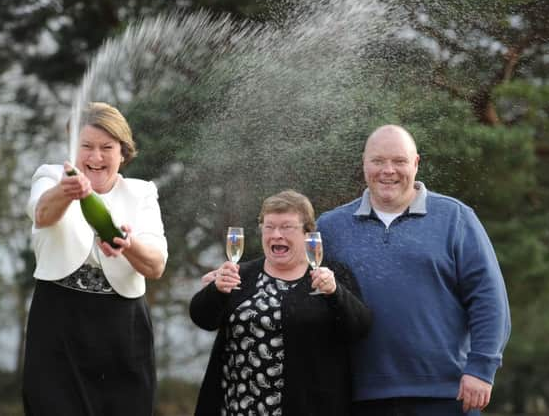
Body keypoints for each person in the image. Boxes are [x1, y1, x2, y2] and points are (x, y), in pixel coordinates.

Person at [317, 124, 511, 416]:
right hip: (360, 398)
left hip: (448, 395)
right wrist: (228, 278)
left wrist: (482, 368)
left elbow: (489, 299)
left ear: (417, 163)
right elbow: (293, 284)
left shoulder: (455, 218)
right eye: (378, 161)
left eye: (399, 161)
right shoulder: (330, 227)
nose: (388, 170)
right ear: (364, 163)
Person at [22, 102, 168, 416]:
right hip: (58, 324)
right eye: (86, 146)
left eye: (107, 148)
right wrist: (67, 191)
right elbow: (41, 213)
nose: (95, 157)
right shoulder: (50, 177)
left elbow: (156, 265)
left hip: (123, 330)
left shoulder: (141, 193)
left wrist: (129, 245)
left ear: (123, 152)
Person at [190, 190, 372, 416]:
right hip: (237, 407)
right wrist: (215, 291)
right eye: (269, 227)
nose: (276, 234)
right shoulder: (241, 274)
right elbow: (202, 318)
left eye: (287, 227)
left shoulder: (331, 276)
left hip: (310, 406)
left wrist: (336, 293)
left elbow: (359, 328)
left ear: (307, 234)